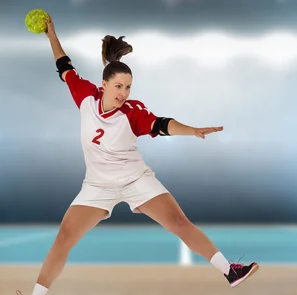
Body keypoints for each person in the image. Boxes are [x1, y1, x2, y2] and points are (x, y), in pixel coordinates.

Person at [22, 14, 259, 295]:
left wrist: (191, 130)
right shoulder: (86, 96)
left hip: (135, 179)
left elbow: (161, 124)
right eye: (118, 86)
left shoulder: (131, 113)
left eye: (128, 87)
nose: (123, 92)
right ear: (104, 84)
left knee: (179, 223)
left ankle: (230, 270)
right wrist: (51, 35)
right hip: (97, 185)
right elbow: (64, 66)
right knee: (64, 237)